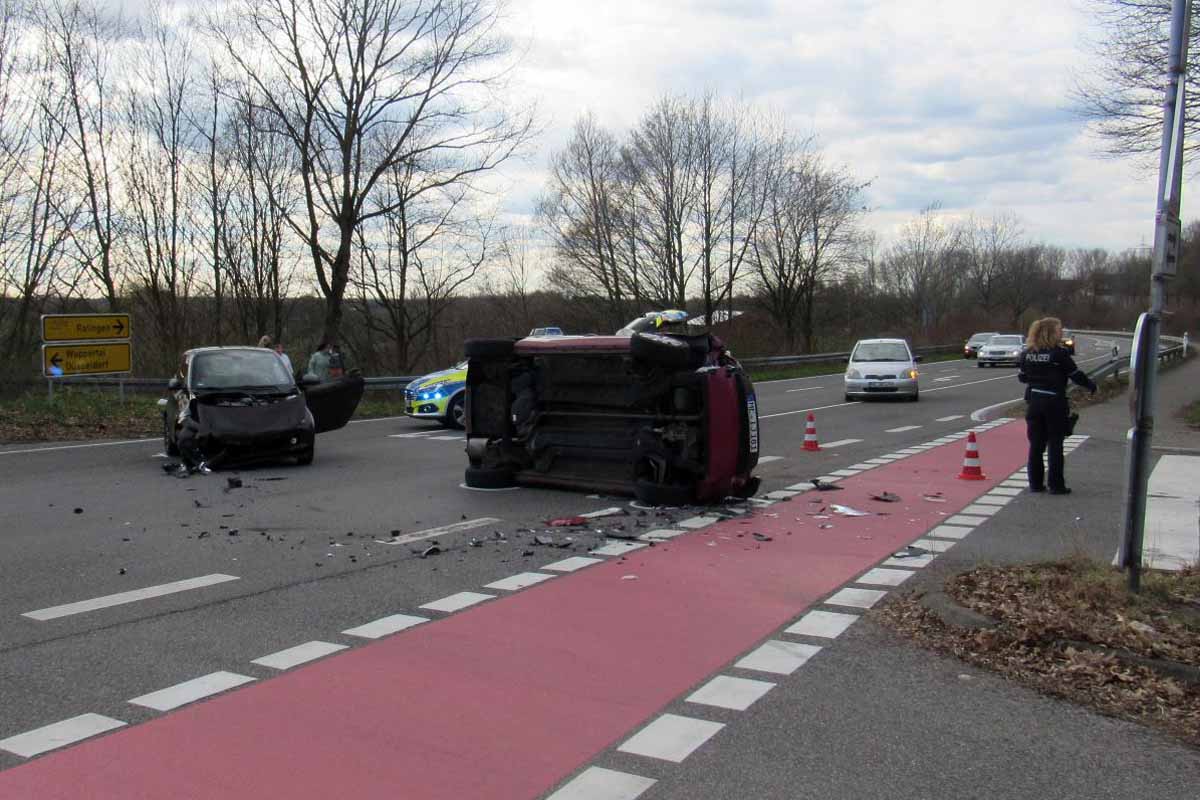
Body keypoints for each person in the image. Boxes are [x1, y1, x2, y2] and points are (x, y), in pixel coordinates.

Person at [1018, 317, 1097, 495]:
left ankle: (1036, 484)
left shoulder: (1027, 353)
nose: (1061, 332)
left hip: (1034, 401)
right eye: (1059, 330)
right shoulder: (1059, 354)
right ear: (1051, 332)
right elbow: (1075, 374)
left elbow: (1022, 377)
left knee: (1036, 445)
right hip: (1054, 402)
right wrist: (1091, 385)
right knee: (1055, 443)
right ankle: (1056, 485)